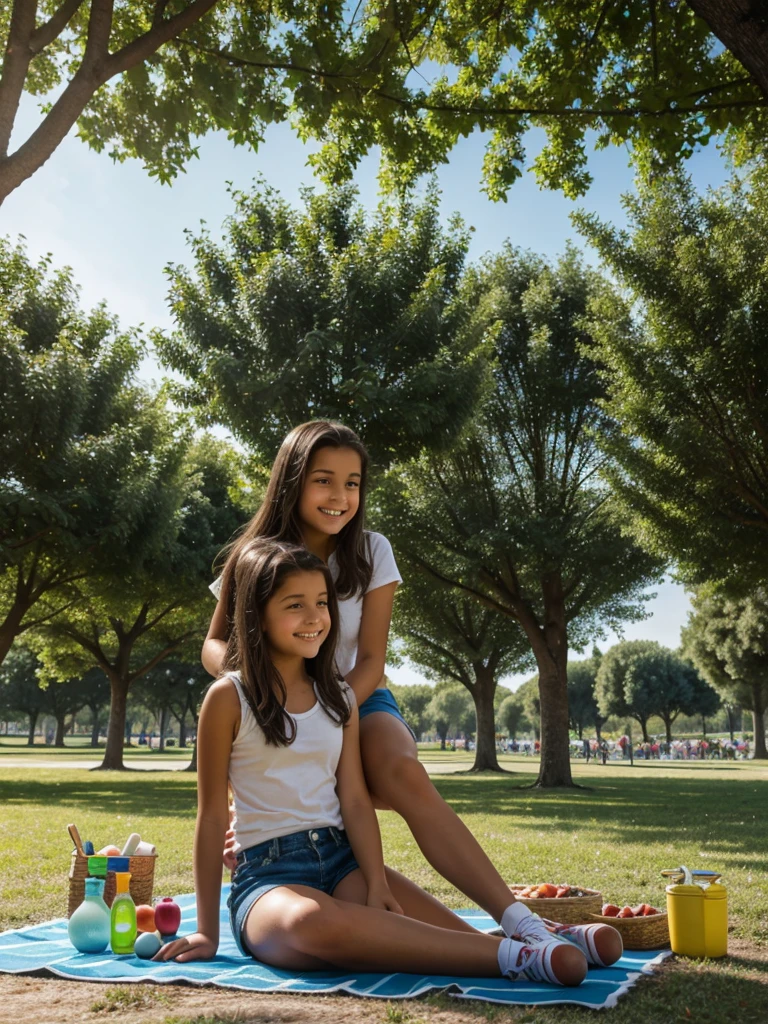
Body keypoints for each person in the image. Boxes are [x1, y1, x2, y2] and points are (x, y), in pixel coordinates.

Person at [201, 422, 621, 970]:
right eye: (324, 480)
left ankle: (525, 925)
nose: (340, 497)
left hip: (356, 695)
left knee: (403, 773)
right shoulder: (253, 558)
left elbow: (371, 659)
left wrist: (326, 707)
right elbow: (215, 642)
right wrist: (262, 690)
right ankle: (511, 950)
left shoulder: (372, 551)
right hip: (269, 700)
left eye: (353, 483)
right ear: (291, 481)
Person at [155, 539, 612, 984]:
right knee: (313, 925)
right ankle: (514, 958)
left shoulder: (339, 699)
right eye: (295, 605)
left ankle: (543, 942)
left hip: (341, 862)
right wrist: (207, 932)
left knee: (416, 935)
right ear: (257, 616)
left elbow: (354, 800)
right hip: (268, 879)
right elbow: (212, 816)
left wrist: (376, 883)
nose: (315, 618)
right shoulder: (227, 698)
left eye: (322, 602)